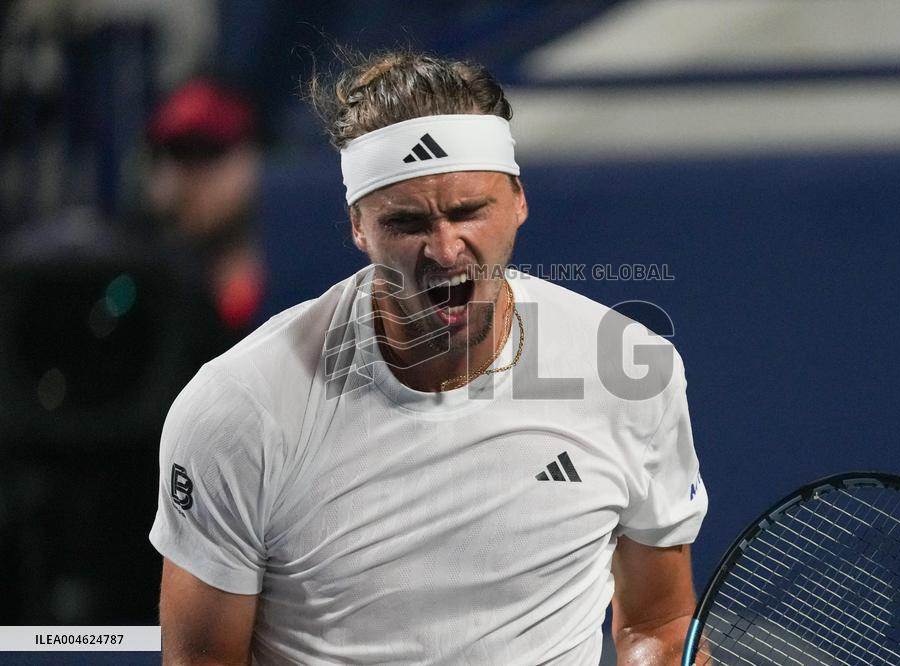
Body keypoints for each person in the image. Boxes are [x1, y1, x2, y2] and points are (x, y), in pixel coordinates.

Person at [150, 50, 708, 665]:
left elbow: (658, 622)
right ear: (358, 227)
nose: (445, 250)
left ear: (518, 201)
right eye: (407, 222)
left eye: (470, 211)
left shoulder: (632, 372)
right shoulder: (239, 409)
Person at [145, 76, 268, 338]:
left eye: (200, 155)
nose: (176, 183)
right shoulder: (148, 289)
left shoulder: (303, 287)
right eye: (165, 158)